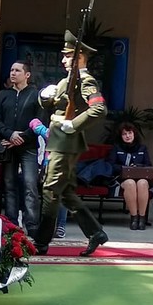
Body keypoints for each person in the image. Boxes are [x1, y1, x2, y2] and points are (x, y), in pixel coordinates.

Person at [32, 31, 109, 257]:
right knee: (64, 191)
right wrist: (43, 96)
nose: (63, 60)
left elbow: (99, 109)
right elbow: (54, 103)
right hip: (59, 140)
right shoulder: (67, 80)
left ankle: (41, 242)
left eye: (67, 56)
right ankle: (95, 232)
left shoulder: (86, 80)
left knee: (50, 190)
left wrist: (73, 124)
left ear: (79, 57)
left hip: (65, 142)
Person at [0, 60, 42, 236]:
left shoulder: (36, 95)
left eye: (17, 70)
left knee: (30, 185)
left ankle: (32, 225)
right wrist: (10, 134)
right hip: (8, 146)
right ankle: (11, 224)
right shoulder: (2, 95)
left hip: (29, 146)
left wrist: (22, 137)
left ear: (27, 75)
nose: (13, 73)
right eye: (11, 70)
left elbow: (41, 120)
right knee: (9, 184)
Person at [107, 122, 153, 230]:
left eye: (130, 133)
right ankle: (134, 218)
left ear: (134, 134)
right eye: (124, 134)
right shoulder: (116, 148)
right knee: (130, 183)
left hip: (141, 177)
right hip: (122, 178)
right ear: (121, 136)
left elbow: (148, 165)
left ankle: (142, 218)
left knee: (142, 183)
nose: (127, 136)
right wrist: (125, 168)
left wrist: (137, 167)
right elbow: (110, 165)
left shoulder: (142, 148)